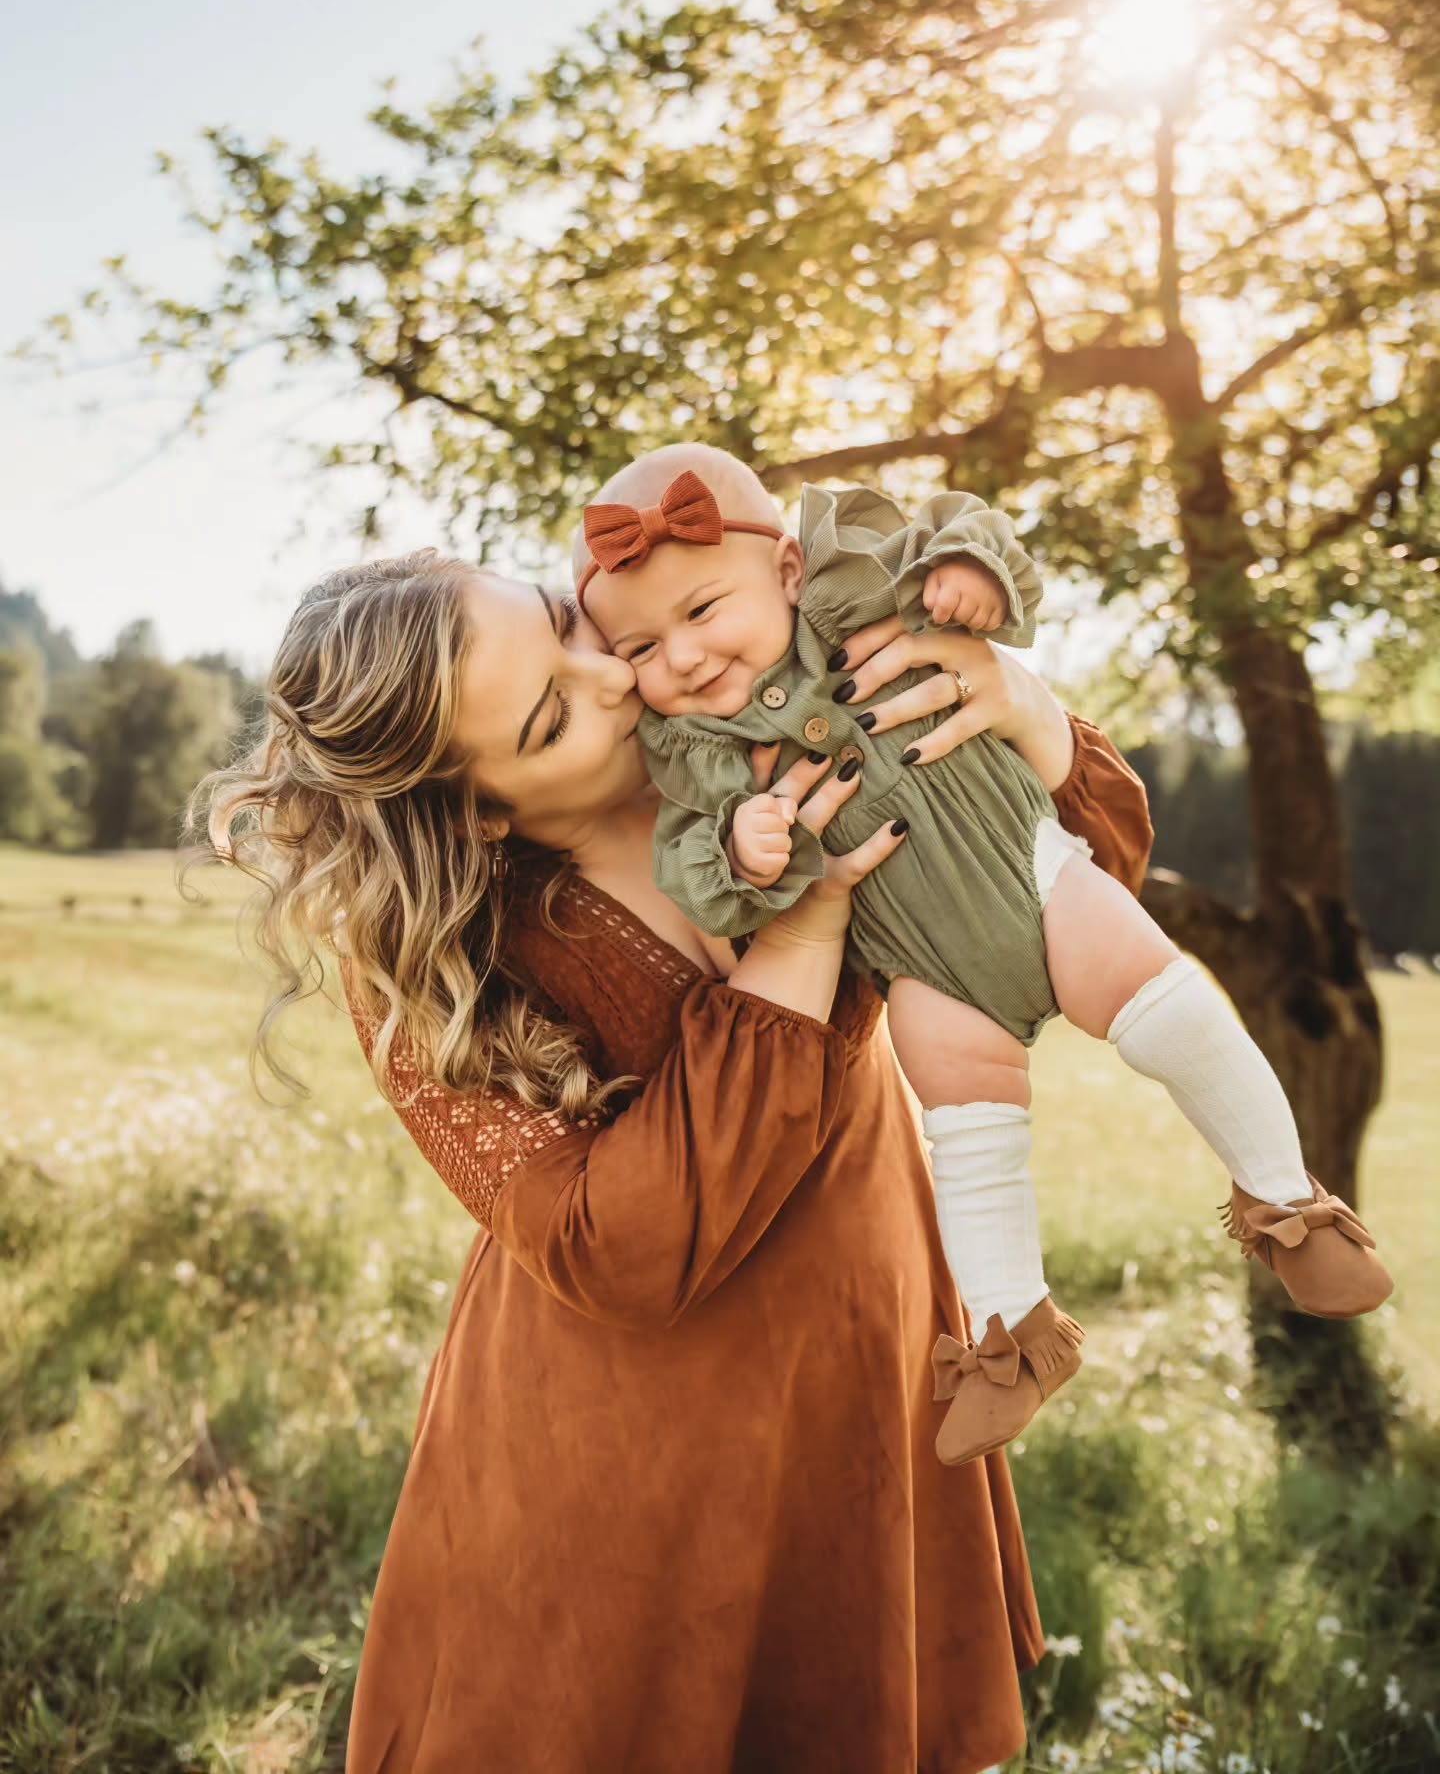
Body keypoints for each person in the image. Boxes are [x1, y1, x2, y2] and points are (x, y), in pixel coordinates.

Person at [195, 542, 1154, 1774]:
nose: (613, 676)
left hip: (863, 1358)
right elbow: (626, 1252)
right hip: (630, 1460)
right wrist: (804, 930)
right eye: (550, 717)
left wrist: (1024, 711)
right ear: (481, 805)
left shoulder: (769, 730)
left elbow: (1073, 892)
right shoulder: (441, 983)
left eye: (563, 621)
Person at [575, 443, 1393, 1466]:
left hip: (1032, 876)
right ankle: (1015, 1342)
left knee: (1170, 1010)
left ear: (785, 571)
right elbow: (691, 862)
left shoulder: (854, 579)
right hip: (924, 968)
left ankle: (1289, 1205)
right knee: (969, 1134)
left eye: (701, 613)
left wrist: (972, 580)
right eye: (643, 648)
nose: (683, 660)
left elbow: (968, 522)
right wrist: (745, 848)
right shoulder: (692, 753)